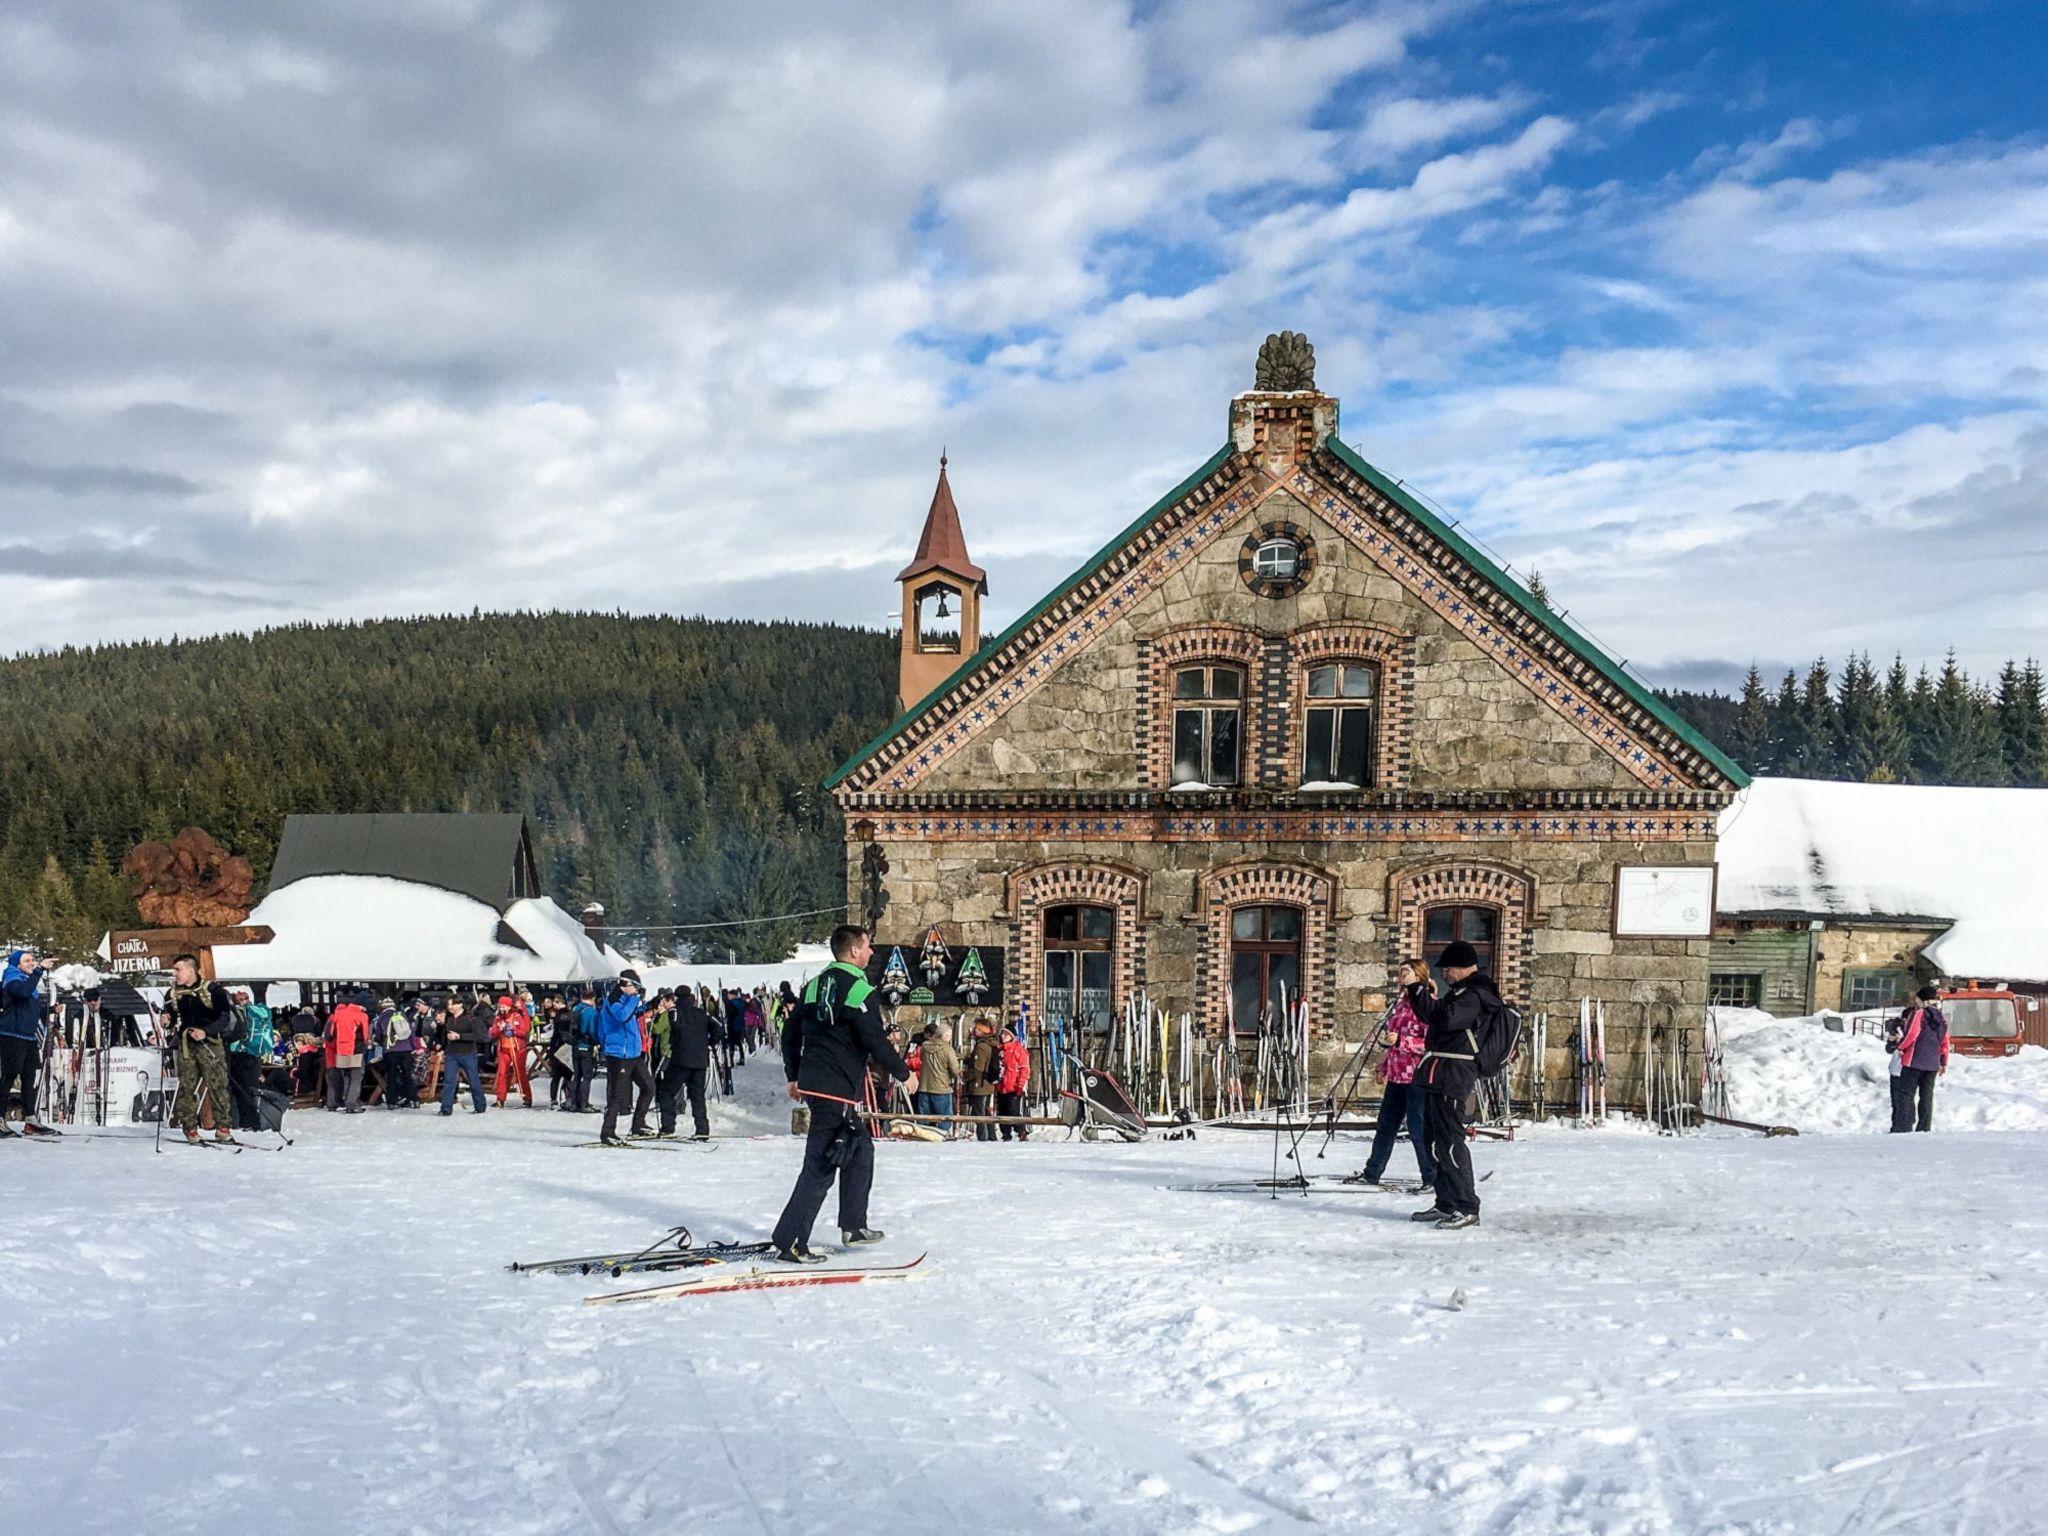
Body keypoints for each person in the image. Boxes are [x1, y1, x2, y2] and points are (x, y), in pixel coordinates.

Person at [770, 925, 911, 1263]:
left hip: (818, 1084)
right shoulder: (859, 989)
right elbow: (873, 1038)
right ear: (853, 951)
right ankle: (790, 1240)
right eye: (868, 947)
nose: (872, 953)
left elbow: (790, 1032)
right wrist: (903, 1072)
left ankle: (854, 1224)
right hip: (836, 1089)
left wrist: (794, 1074)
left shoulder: (815, 984)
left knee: (860, 1150)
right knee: (821, 1164)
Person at [1408, 940, 1503, 1231]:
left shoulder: (1476, 994)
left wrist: (1417, 989)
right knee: (1433, 1140)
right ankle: (1445, 1202)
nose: (1444, 974)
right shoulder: (1461, 992)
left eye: (1447, 969)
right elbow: (1433, 1017)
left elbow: (1444, 1019)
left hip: (1455, 1074)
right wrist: (1417, 993)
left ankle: (1466, 1205)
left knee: (1450, 1141)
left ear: (1461, 968)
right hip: (1439, 1071)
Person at [1351, 960, 1437, 1190]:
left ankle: (1431, 1177)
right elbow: (1393, 1041)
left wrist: (1403, 1041)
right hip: (1397, 1075)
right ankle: (1373, 1172)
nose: (1401, 977)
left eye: (1406, 972)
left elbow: (1431, 1043)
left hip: (1417, 1076)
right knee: (1386, 1125)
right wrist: (1384, 1065)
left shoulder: (1428, 1005)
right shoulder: (1400, 1006)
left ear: (1419, 976)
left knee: (1418, 1130)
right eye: (1400, 973)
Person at [162, 955, 236, 1145]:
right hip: (187, 1044)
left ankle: (222, 1127)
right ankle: (190, 1128)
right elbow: (169, 1013)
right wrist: (166, 1019)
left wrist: (206, 1031)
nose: (174, 974)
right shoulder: (172, 993)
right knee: (186, 1087)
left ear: (190, 970)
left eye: (178, 969)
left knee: (217, 1085)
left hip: (210, 1043)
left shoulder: (213, 990)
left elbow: (224, 1018)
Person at [596, 970, 654, 1145]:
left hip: (633, 1053)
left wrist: (649, 1005)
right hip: (618, 1053)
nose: (635, 990)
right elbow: (622, 1016)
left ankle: (638, 1125)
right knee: (618, 1095)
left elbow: (632, 1014)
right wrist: (636, 999)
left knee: (648, 1087)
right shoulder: (613, 999)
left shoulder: (627, 999)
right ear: (625, 985)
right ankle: (607, 1132)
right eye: (634, 986)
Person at [0, 948, 52, 1136]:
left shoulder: (26, 980)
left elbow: (27, 1005)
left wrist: (51, 1009)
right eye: (27, 960)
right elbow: (21, 994)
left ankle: (30, 1119)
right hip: (12, 1035)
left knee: (29, 1078)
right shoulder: (12, 977)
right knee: (9, 1077)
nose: (31, 963)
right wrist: (39, 970)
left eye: (32, 960)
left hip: (27, 1037)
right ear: (17, 964)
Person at [1888, 984, 1950, 1133]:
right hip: (1933, 1063)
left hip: (1914, 1061)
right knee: (1926, 1095)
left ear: (1921, 999)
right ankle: (1924, 1127)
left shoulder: (1919, 1014)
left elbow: (1912, 1034)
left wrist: (1900, 1047)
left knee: (1906, 1094)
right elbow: (1945, 1041)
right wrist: (1943, 1062)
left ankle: (1903, 1127)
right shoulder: (1941, 1017)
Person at [659, 985, 715, 1139]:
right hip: (700, 1061)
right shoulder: (701, 1013)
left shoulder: (675, 1012)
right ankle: (702, 1129)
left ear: (676, 997)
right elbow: (719, 1028)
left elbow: (676, 1028)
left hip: (681, 1060)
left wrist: (675, 1041)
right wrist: (708, 1043)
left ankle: (668, 1127)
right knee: (697, 1096)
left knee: (667, 1091)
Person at [227, 988, 275, 1131]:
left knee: (241, 1089)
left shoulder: (238, 1011)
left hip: (240, 1053)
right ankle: (248, 1121)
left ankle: (248, 1122)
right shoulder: (260, 1010)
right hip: (253, 1054)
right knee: (247, 1089)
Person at [438, 995, 489, 1115]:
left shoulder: (471, 1018)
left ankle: (480, 1105)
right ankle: (446, 1108)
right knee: (449, 1081)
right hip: (452, 1054)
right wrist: (442, 1048)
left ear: (460, 1004)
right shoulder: (449, 1018)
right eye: (449, 1005)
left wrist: (460, 1036)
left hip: (468, 1053)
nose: (450, 1007)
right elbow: (444, 1035)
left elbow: (480, 1036)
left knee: (473, 1080)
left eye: (452, 1004)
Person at [325, 991, 372, 1113]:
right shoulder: (362, 1016)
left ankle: (346, 1101)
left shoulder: (338, 1015)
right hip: (356, 1050)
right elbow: (366, 1035)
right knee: (356, 1077)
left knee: (346, 1076)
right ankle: (351, 1103)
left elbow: (329, 1035)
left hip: (340, 1051)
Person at [913, 1023, 960, 1136]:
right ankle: (941, 1137)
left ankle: (925, 1138)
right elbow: (955, 1069)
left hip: (924, 1086)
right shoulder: (948, 1049)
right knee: (944, 1118)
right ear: (946, 1036)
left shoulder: (924, 1046)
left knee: (924, 1119)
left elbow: (921, 1059)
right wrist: (952, 1076)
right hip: (942, 1088)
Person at [963, 1017, 1003, 1142]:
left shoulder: (981, 1046)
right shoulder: (992, 1043)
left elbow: (978, 1068)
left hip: (979, 1084)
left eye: (976, 1028)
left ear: (981, 1030)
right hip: (988, 1084)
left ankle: (984, 1139)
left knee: (980, 1114)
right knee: (986, 1112)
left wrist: (965, 1076)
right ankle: (991, 1137)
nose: (973, 1031)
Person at [377, 998, 422, 1109]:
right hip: (406, 1049)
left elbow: (378, 1035)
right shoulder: (402, 1015)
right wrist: (412, 1046)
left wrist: (382, 1042)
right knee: (408, 1075)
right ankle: (414, 1099)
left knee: (392, 1076)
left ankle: (391, 1101)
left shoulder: (382, 1018)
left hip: (390, 1050)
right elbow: (410, 1032)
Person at [491, 995, 534, 1107]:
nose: (502, 1009)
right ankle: (500, 1099)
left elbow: (524, 1032)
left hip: (517, 1049)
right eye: (500, 1006)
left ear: (510, 1006)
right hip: (504, 1050)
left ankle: (527, 1098)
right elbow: (491, 1033)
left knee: (520, 1074)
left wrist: (513, 1030)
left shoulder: (517, 1016)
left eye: (504, 1006)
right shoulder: (498, 1018)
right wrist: (499, 1029)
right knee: (502, 1073)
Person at [996, 1024, 1031, 1141]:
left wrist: (1020, 1085)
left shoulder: (1018, 1050)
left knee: (1013, 1111)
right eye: (1002, 1034)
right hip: (1002, 1086)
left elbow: (1024, 1069)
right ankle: (1005, 1133)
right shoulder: (1000, 1050)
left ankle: (1020, 1130)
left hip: (1013, 1086)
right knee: (1002, 1111)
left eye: (1005, 1034)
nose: (1003, 1036)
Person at [571, 989, 599, 1112]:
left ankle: (574, 1103)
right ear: (593, 998)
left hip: (574, 1045)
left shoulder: (575, 1009)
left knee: (577, 1075)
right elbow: (592, 1030)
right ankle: (584, 1104)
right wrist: (597, 1042)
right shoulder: (591, 1012)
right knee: (587, 1076)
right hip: (586, 1045)